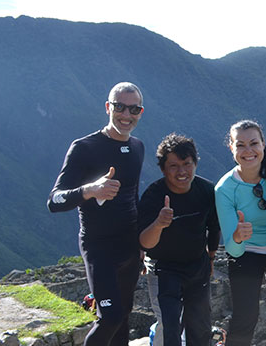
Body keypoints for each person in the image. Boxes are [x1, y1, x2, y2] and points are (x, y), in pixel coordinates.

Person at [47, 82, 146, 346]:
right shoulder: (84, 148)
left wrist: (141, 244)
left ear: (141, 112)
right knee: (110, 317)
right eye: (120, 107)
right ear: (108, 107)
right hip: (99, 246)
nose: (126, 115)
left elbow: (132, 197)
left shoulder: (137, 147)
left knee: (123, 317)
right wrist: (90, 190)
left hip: (129, 247)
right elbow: (54, 201)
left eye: (133, 109)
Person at [214, 120, 266, 346]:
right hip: (246, 252)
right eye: (240, 145)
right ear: (231, 148)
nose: (248, 151)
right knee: (245, 317)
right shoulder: (224, 189)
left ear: (263, 144)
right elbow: (233, 249)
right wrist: (237, 236)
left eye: (254, 143)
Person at [138, 134, 220, 346]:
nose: (182, 172)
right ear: (163, 169)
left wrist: (211, 258)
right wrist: (159, 224)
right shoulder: (154, 195)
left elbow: (214, 226)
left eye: (187, 164)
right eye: (173, 166)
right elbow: (144, 243)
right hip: (163, 268)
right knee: (170, 324)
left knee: (200, 325)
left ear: (195, 164)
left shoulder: (206, 191)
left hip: (196, 266)